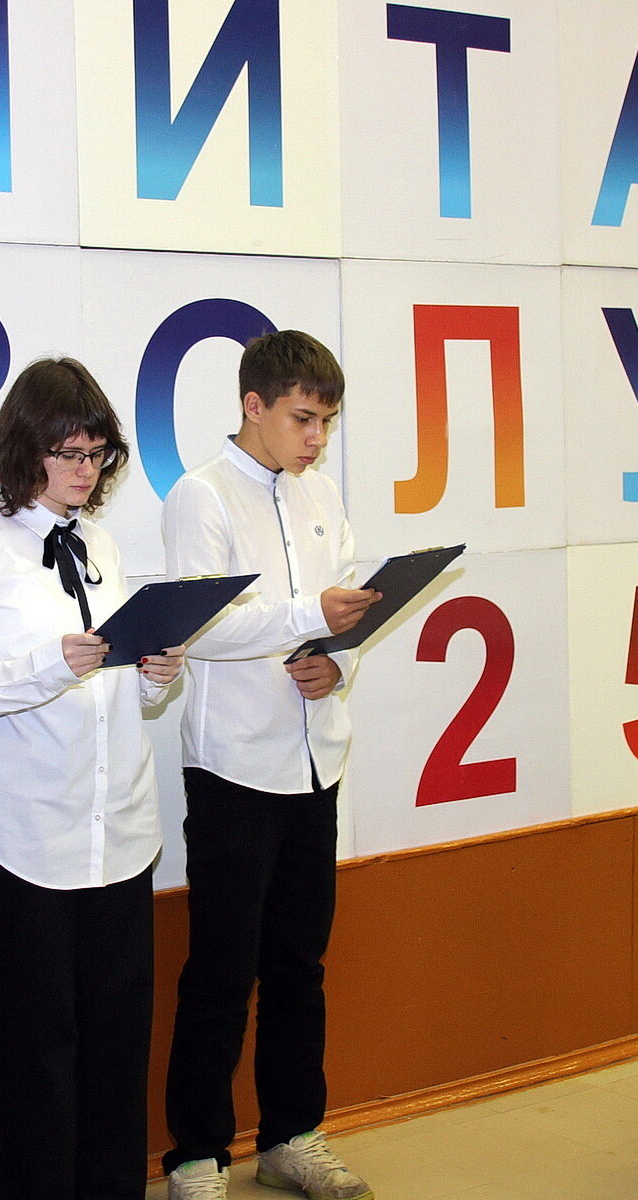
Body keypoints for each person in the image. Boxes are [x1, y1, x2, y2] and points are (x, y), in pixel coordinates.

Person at [0, 357, 184, 1200]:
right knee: (32, 1049)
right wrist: (47, 666)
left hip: (120, 826)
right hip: (27, 832)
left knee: (117, 1040)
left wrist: (156, 673)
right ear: (24, 448)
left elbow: (125, 687)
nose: (84, 471)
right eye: (68, 453)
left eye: (96, 455)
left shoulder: (101, 543)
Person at [160, 330, 380, 1200]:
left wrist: (336, 662)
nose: (315, 437)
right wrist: (306, 614)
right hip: (233, 769)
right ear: (252, 406)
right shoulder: (200, 496)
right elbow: (199, 626)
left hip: (314, 761)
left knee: (298, 965)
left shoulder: (321, 492)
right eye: (302, 418)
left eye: (326, 421)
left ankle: (291, 1135)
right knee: (221, 971)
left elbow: (350, 613)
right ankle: (197, 1155)